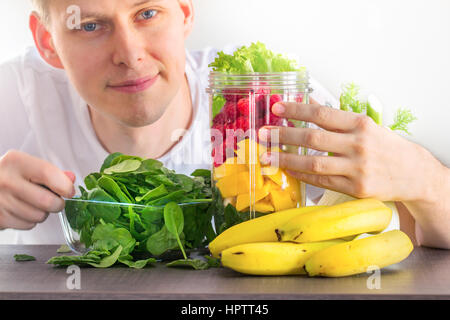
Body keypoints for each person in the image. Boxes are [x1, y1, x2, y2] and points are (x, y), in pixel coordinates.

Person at [0, 0, 448, 249]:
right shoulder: (15, 95)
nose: (130, 54)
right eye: (91, 25)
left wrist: (426, 182)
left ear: (185, 11)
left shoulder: (257, 93)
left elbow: (418, 232)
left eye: (147, 13)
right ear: (47, 41)